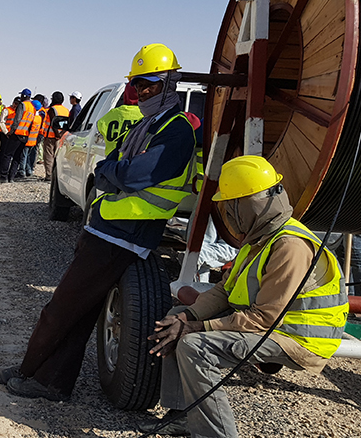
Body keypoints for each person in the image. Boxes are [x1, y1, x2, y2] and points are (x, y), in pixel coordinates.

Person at [0, 43, 196, 401]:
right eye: (138, 85)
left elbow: (135, 174)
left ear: (169, 84)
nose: (143, 92)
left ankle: (39, 376)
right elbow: (112, 165)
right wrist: (113, 171)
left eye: (150, 84)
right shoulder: (148, 124)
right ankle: (43, 376)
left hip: (125, 235)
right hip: (107, 229)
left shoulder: (176, 130)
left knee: (61, 310)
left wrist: (112, 172)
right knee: (79, 311)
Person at [139, 155, 348, 437]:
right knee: (176, 318)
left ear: (245, 205)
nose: (226, 212)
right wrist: (187, 317)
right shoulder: (260, 238)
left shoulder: (290, 246)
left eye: (229, 204)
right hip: (273, 326)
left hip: (297, 338)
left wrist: (196, 328)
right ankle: (182, 417)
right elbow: (225, 290)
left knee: (194, 346)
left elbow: (265, 318)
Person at [95, 82, 143, 155]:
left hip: (111, 160)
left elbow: (99, 126)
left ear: (126, 94)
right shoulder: (148, 115)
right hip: (137, 161)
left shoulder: (109, 116)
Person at [1, 89, 35, 183]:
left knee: (7, 155)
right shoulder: (32, 107)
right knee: (17, 157)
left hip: (17, 134)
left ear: (23, 96)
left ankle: (3, 176)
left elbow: (17, 120)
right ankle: (11, 177)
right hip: (25, 135)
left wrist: (11, 132)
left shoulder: (22, 105)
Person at [41, 91, 69, 181]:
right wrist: (61, 134)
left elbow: (54, 123)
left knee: (49, 156)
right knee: (58, 157)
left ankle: (49, 176)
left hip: (51, 136)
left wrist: (57, 134)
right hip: (61, 137)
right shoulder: (66, 110)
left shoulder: (52, 109)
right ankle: (57, 175)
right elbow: (67, 124)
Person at [17, 98, 44, 178]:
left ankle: (22, 171)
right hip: (33, 140)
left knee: (24, 156)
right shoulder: (39, 118)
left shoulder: (32, 117)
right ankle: (29, 170)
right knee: (28, 156)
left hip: (27, 139)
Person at [0, 97, 20, 177]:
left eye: (17, 104)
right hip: (4, 133)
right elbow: (2, 122)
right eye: (15, 103)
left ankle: (5, 169)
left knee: (9, 153)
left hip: (13, 134)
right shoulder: (7, 110)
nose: (15, 105)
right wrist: (6, 132)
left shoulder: (19, 112)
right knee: (3, 151)